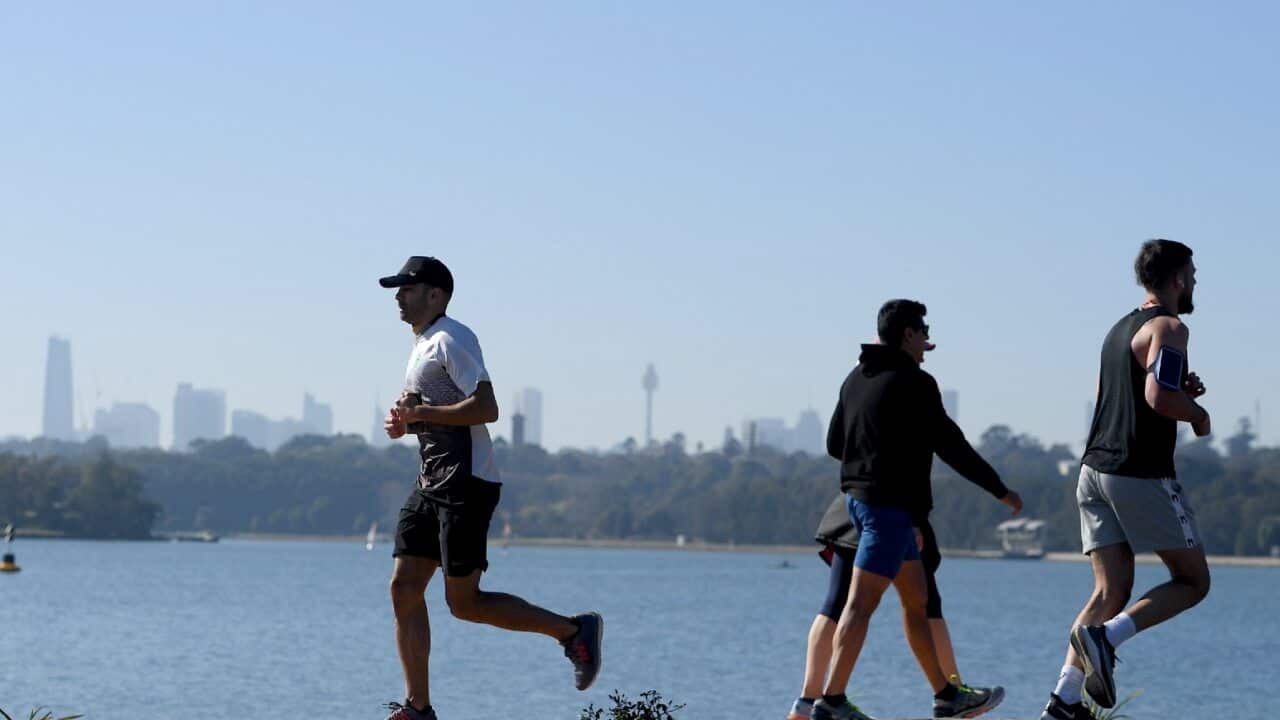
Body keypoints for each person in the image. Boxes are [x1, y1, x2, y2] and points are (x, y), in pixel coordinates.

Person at [378, 256, 603, 720]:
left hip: (466, 485)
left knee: (464, 604)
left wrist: (421, 415)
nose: (398, 296)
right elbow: (434, 411)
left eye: (408, 288)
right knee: (403, 587)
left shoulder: (452, 338)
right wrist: (406, 422)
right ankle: (418, 707)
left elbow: (486, 407)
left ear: (435, 294)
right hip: (430, 483)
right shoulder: (422, 345)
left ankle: (571, 631)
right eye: (397, 289)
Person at [811, 300, 1015, 720]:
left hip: (870, 505)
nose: (927, 341)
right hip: (885, 510)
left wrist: (872, 455)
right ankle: (830, 703)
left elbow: (835, 444)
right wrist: (1000, 491)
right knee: (860, 606)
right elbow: (951, 445)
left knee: (917, 601)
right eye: (923, 331)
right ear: (907, 334)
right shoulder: (915, 383)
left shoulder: (855, 378)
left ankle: (946, 695)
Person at [1039, 240, 1211, 720]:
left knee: (1109, 591)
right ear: (1176, 279)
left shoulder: (1118, 331)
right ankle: (1106, 637)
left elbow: (1118, 393)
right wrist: (1197, 414)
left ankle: (1064, 700)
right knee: (1193, 581)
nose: (1195, 281)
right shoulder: (1171, 326)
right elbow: (1158, 398)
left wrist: (1179, 389)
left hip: (1092, 472)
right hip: (1138, 473)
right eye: (1192, 273)